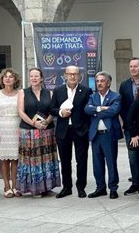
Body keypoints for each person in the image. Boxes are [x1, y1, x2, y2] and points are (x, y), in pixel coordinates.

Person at [49, 65, 92, 199]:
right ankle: (67, 187)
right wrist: (61, 112)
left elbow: (89, 111)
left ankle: (81, 187)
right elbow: (52, 109)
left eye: (75, 74)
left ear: (79, 76)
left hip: (80, 131)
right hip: (63, 131)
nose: (73, 76)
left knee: (81, 160)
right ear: (65, 75)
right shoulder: (58, 90)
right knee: (65, 161)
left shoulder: (86, 91)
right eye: (70, 74)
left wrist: (86, 128)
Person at [17, 67, 61, 196]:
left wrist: (47, 121)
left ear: (41, 78)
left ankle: (46, 187)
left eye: (36, 76)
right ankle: (30, 187)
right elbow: (20, 111)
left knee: (46, 159)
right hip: (28, 131)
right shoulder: (23, 92)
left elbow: (53, 110)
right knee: (30, 160)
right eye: (31, 76)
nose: (34, 78)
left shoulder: (50, 93)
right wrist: (34, 123)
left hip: (46, 131)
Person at [85, 72, 123, 199]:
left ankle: (113, 188)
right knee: (97, 163)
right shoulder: (92, 96)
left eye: (102, 81)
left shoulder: (116, 96)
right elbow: (87, 109)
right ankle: (100, 188)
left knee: (111, 162)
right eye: (98, 81)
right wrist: (101, 108)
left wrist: (96, 110)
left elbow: (114, 111)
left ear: (108, 82)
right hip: (96, 135)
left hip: (109, 134)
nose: (99, 83)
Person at [0, 68, 22, 198]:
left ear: (15, 79)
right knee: (4, 159)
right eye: (5, 77)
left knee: (15, 159)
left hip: (16, 127)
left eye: (10, 76)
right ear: (2, 80)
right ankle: (6, 186)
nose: (8, 79)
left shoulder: (20, 93)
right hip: (1, 127)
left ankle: (15, 185)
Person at [119, 58, 139, 196]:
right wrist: (130, 123)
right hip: (130, 128)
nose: (133, 68)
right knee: (133, 156)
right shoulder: (124, 85)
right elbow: (122, 107)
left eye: (135, 66)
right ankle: (136, 183)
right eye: (131, 66)